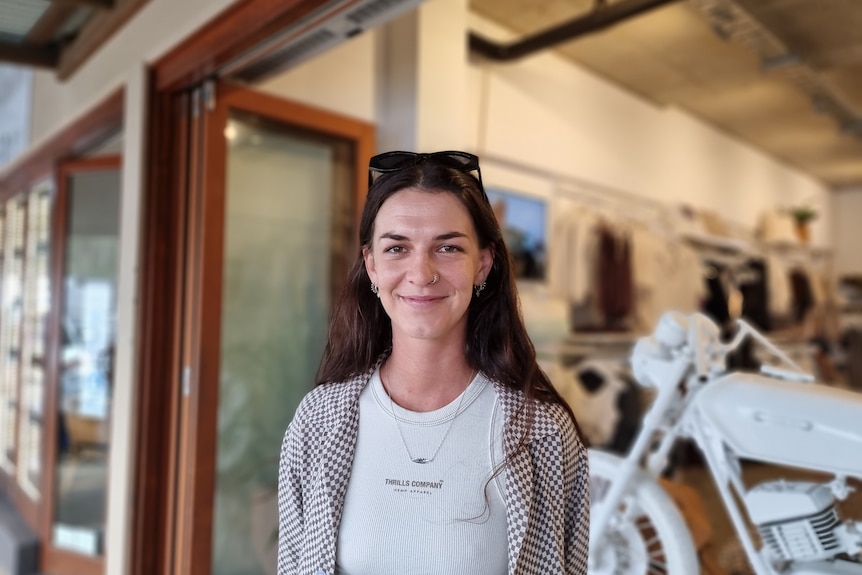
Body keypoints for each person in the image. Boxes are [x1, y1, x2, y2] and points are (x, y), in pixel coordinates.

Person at [277, 150, 589, 575]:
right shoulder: (317, 423)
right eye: (397, 248)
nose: (421, 273)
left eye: (448, 247)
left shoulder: (543, 432)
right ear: (371, 265)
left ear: (483, 264)